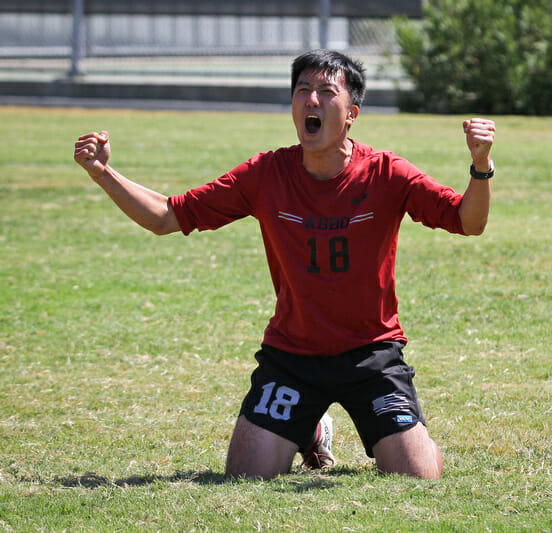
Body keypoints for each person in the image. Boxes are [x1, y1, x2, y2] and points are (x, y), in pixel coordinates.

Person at [73, 49, 495, 480]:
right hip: (293, 356)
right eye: (302, 90)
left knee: (418, 476)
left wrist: (480, 166)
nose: (311, 100)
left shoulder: (387, 173)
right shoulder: (266, 173)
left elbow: (468, 221)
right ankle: (309, 430)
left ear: (351, 113)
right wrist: (104, 173)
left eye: (326, 92)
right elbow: (165, 216)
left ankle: (395, 433)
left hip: (372, 356)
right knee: (245, 476)